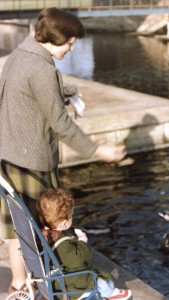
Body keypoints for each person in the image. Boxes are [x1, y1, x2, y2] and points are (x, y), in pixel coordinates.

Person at [0, 7, 126, 294]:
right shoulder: (41, 68)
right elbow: (60, 125)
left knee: (16, 226)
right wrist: (97, 150)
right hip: (31, 159)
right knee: (42, 227)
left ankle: (19, 283)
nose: (72, 48)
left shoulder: (19, 55)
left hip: (8, 153)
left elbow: (21, 99)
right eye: (70, 42)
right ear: (56, 38)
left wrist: (61, 95)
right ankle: (45, 285)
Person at [37, 188, 132, 300]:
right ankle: (111, 294)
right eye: (71, 215)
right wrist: (82, 242)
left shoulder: (41, 234)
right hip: (72, 285)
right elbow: (76, 259)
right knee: (104, 282)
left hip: (52, 279)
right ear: (64, 223)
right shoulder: (62, 243)